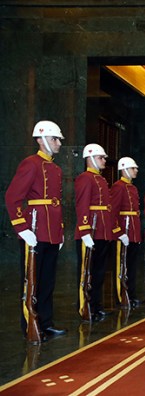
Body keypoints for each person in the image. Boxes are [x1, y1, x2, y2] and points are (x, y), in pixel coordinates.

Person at [5, 120, 67, 340]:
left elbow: (55, 203)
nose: (58, 143)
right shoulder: (30, 164)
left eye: (58, 139)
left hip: (50, 233)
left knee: (48, 281)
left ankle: (46, 323)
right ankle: (30, 325)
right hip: (34, 230)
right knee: (31, 281)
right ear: (41, 140)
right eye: (54, 139)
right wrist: (22, 228)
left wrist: (59, 232)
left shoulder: (56, 168)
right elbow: (13, 197)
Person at [75, 143, 121, 322]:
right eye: (101, 158)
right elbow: (82, 205)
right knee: (87, 272)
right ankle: (84, 307)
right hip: (91, 232)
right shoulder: (85, 178)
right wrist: (85, 230)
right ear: (91, 158)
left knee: (100, 272)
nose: (104, 161)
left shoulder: (101, 180)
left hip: (102, 232)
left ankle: (96, 305)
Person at [110, 157, 141, 308]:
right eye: (133, 168)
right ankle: (120, 295)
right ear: (124, 169)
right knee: (121, 266)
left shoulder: (133, 188)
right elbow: (113, 211)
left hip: (133, 232)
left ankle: (131, 294)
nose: (136, 171)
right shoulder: (118, 187)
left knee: (132, 266)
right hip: (123, 233)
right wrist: (118, 232)